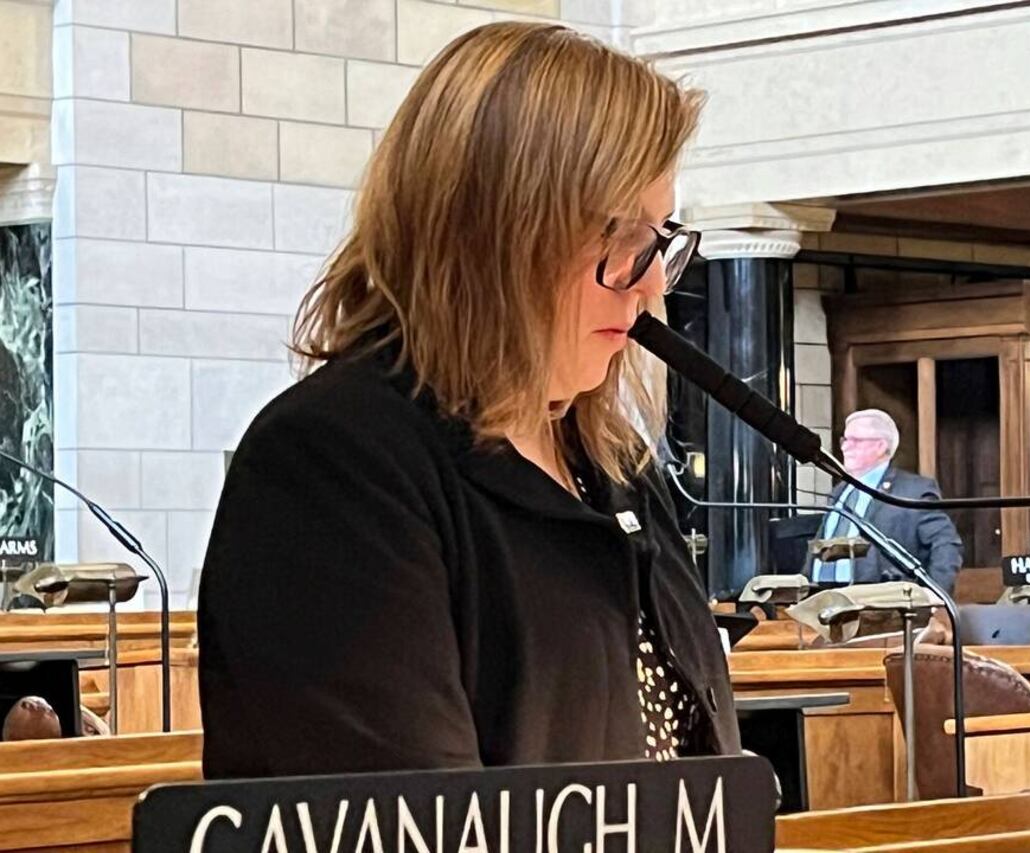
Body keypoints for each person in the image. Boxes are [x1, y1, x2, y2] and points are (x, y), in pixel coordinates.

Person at [197, 22, 740, 778]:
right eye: (621, 236)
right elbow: (406, 814)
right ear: (502, 230)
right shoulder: (332, 465)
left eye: (661, 238)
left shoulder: (616, 469)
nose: (651, 283)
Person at [809, 409, 963, 594]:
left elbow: (946, 545)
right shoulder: (840, 491)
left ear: (881, 446)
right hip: (821, 600)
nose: (845, 447)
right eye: (845, 440)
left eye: (855, 441)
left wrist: (934, 596)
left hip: (878, 605)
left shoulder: (912, 491)